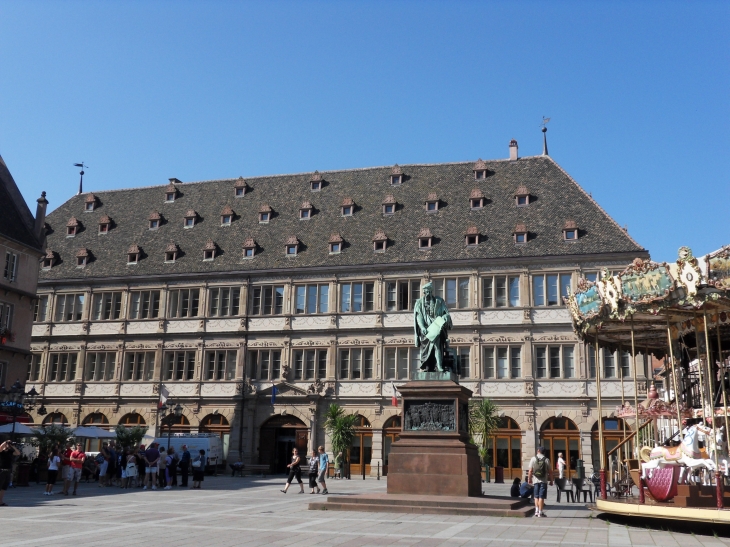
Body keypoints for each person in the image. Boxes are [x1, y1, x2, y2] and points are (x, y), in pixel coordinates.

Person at [528, 446, 554, 518]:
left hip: (535, 480)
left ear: (538, 450)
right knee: (541, 496)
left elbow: (530, 470)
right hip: (543, 481)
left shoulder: (533, 459)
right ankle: (540, 512)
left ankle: (536, 511)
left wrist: (529, 479)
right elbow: (550, 472)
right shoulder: (546, 460)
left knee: (536, 496)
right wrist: (551, 480)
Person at [0, 440, 20, 506]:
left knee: (4, 487)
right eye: (8, 444)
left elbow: (18, 453)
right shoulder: (2, 452)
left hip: (8, 471)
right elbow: (0, 447)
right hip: (1, 470)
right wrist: (5, 442)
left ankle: (1, 501)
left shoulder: (10, 452)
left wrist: (12, 446)